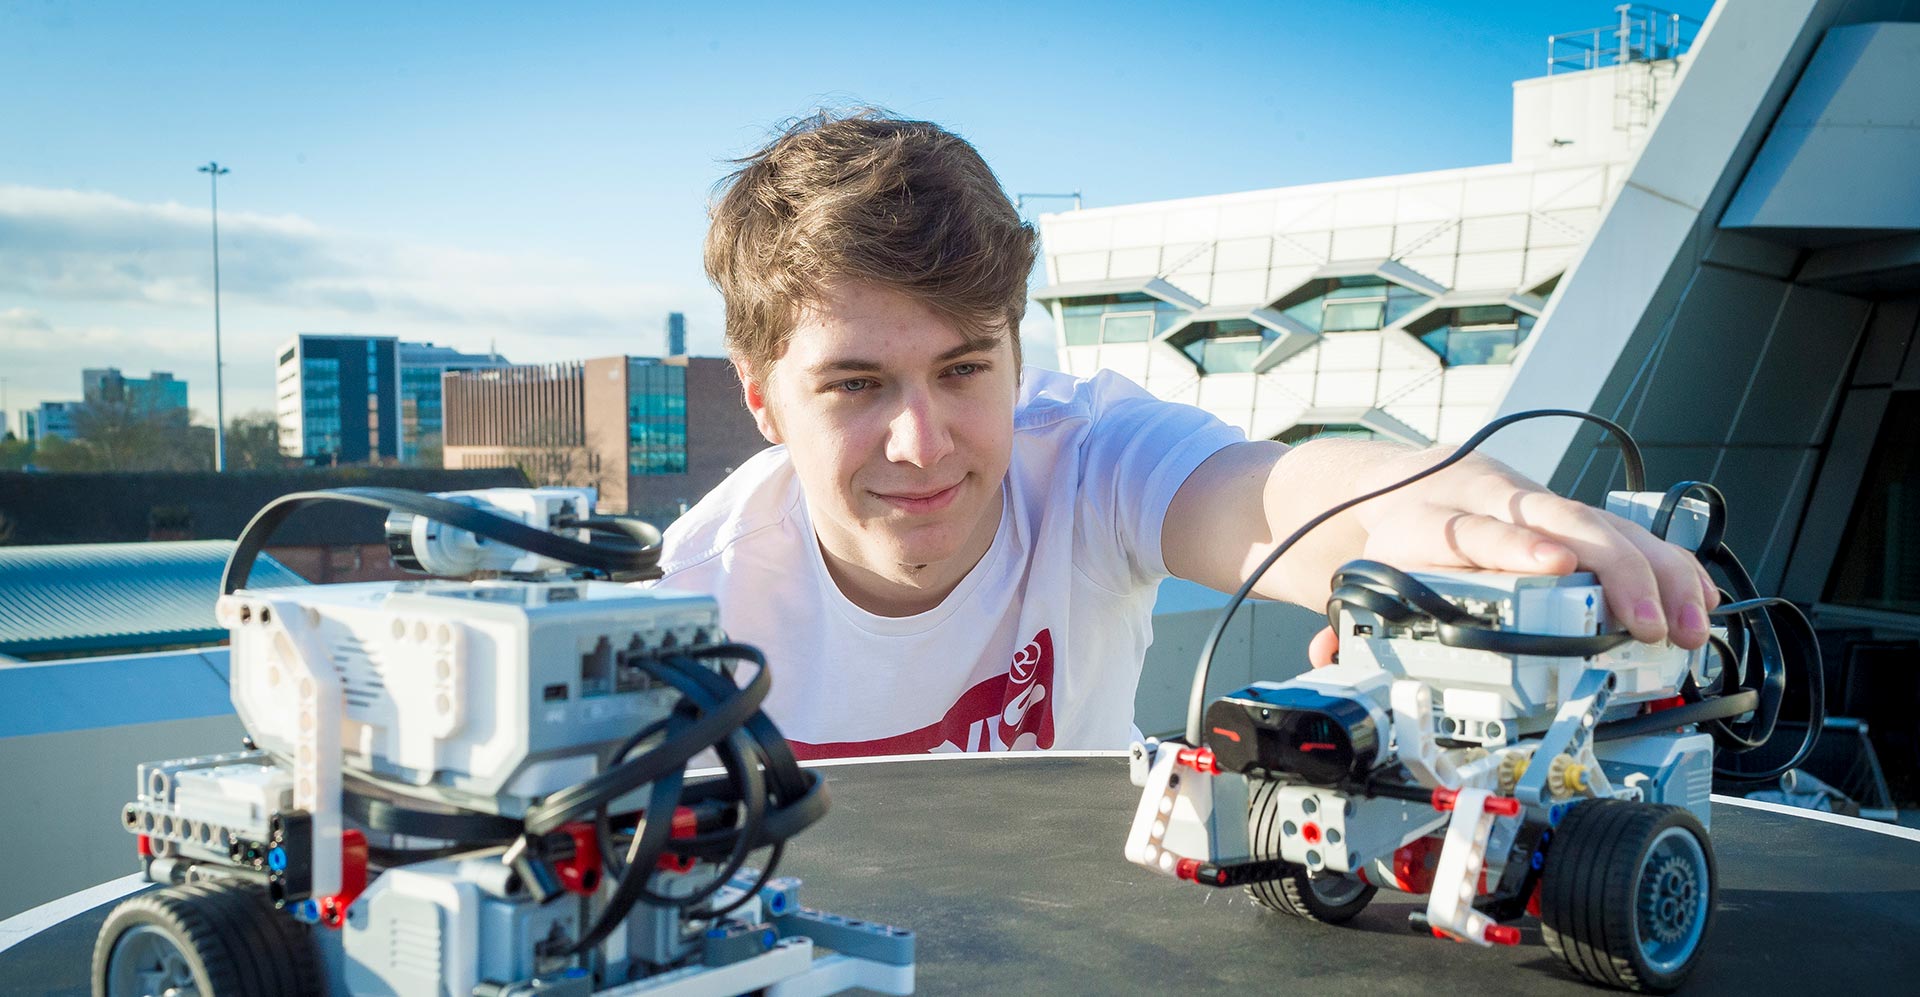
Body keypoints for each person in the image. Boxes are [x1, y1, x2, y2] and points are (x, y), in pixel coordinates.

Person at [654, 109, 1715, 760]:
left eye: (965, 368)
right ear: (763, 401)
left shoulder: (1086, 463)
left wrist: (1470, 511)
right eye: (855, 384)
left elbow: (1272, 497)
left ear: (1019, 361)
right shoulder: (670, 618)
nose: (922, 441)